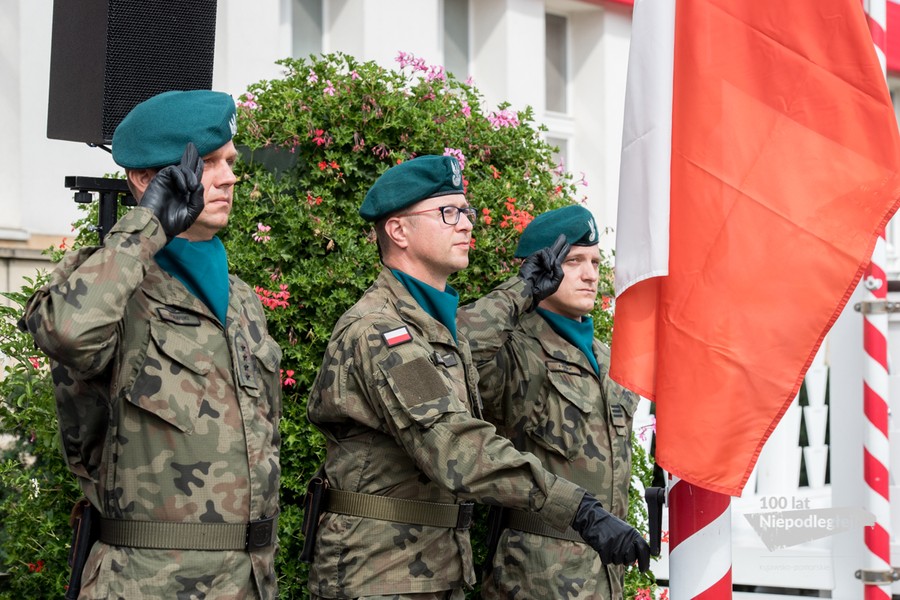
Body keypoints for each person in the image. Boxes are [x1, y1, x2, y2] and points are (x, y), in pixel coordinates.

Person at [305, 155, 648, 600]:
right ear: (399, 231)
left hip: (434, 570)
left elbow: (465, 343)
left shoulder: (430, 330)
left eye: (466, 212)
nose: (466, 224)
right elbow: (455, 445)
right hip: (379, 575)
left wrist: (522, 289)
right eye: (448, 213)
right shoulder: (381, 332)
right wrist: (577, 506)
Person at [18, 90, 282, 599]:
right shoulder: (107, 282)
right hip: (148, 582)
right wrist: (148, 226)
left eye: (229, 160)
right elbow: (69, 332)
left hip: (249, 581)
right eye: (208, 163)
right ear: (147, 179)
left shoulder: (243, 300)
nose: (230, 176)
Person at [458, 204, 640, 599]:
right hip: (536, 575)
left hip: (606, 575)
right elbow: (458, 347)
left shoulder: (612, 358)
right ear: (542, 267)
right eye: (574, 261)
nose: (590, 274)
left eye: (595, 261)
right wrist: (522, 290)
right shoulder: (520, 351)